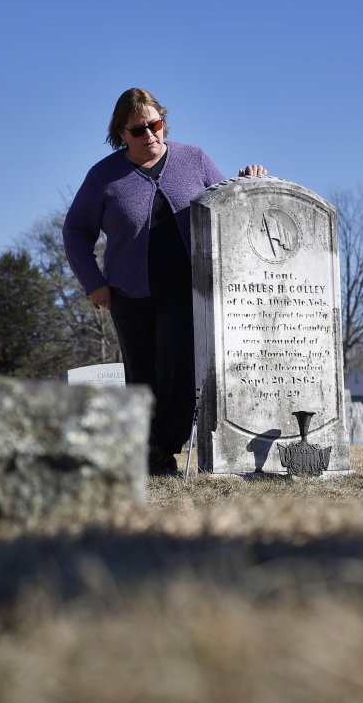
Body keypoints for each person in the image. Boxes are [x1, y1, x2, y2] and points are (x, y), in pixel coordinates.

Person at [63, 87, 267, 476]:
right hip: (129, 291)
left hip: (186, 287)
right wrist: (93, 282)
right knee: (140, 373)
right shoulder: (104, 177)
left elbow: (225, 204)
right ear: (121, 133)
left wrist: (246, 182)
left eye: (155, 125)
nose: (150, 135)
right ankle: (145, 452)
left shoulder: (194, 159)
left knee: (176, 363)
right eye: (138, 130)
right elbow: (75, 230)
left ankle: (163, 447)